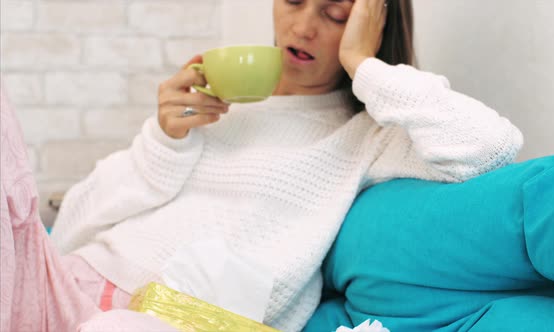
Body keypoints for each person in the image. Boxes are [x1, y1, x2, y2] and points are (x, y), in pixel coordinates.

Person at [2, 0, 523, 331]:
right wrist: (161, 141)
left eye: (334, 13)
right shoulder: (216, 102)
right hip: (62, 286)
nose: (303, 26)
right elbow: (67, 225)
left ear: (370, 20)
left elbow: (491, 146)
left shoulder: (370, 134)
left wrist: (365, 64)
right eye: (294, 0)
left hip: (168, 320)